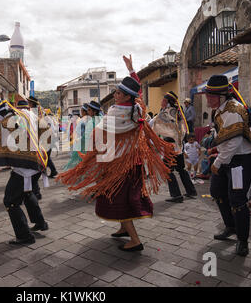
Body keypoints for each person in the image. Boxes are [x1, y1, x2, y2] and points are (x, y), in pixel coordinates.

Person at [57, 57, 176, 252]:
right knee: (127, 197)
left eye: (118, 92)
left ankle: (135, 240)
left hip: (120, 165)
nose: (115, 94)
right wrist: (131, 70)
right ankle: (123, 228)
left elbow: (99, 136)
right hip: (134, 161)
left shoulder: (115, 114)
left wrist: (87, 157)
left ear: (125, 96)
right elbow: (138, 92)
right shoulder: (137, 110)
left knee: (119, 200)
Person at [0, 98, 49, 245]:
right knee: (27, 193)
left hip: (25, 167)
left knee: (10, 201)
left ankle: (24, 236)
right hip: (38, 160)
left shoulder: (6, 123)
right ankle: (40, 223)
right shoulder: (26, 113)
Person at [205, 74, 251, 257]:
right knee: (217, 191)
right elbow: (224, 138)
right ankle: (230, 226)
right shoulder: (220, 109)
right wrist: (216, 150)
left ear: (221, 96)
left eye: (210, 96)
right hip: (228, 158)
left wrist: (218, 162)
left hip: (240, 162)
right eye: (207, 95)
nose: (207, 99)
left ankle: (243, 240)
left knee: (237, 199)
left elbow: (234, 143)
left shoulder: (233, 110)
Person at [151, 91, 197, 203]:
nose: (161, 101)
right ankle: (191, 191)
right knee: (181, 168)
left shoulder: (166, 113)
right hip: (178, 146)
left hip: (170, 146)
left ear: (167, 102)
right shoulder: (177, 112)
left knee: (167, 170)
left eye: (163, 100)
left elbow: (153, 124)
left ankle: (176, 195)